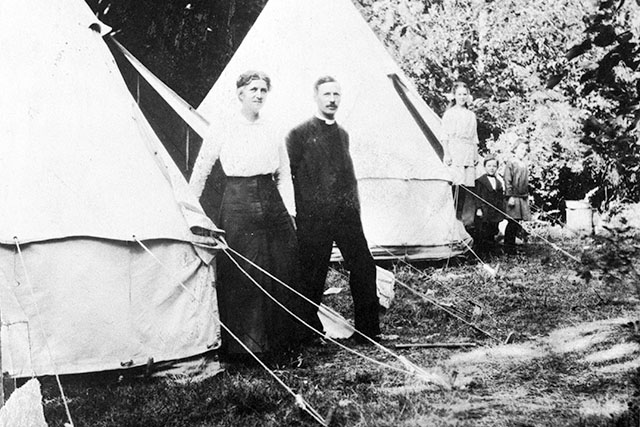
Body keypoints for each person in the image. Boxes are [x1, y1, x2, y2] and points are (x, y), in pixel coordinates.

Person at [189, 71, 311, 358]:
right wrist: (189, 209)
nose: (258, 94)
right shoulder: (224, 126)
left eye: (263, 90)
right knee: (245, 272)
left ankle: (283, 344)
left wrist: (289, 211)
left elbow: (283, 174)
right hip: (238, 201)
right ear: (240, 94)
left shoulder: (272, 127)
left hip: (271, 201)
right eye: (253, 89)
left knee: (283, 267)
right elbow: (202, 168)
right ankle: (247, 348)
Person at [286, 76, 380, 344]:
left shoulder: (343, 135)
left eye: (336, 94)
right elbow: (288, 177)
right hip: (314, 219)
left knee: (364, 267)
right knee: (312, 275)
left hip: (346, 216)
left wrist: (354, 211)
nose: (332, 100)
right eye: (327, 94)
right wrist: (299, 213)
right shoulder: (298, 134)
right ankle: (306, 332)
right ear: (315, 97)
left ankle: (368, 331)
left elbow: (347, 178)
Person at [440, 82, 480, 224]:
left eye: (465, 94)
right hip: (455, 148)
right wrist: (447, 154)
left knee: (464, 185)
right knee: (455, 182)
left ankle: (460, 218)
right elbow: (445, 136)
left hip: (468, 150)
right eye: (459, 94)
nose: (462, 97)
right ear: (454, 96)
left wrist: (475, 153)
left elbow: (474, 136)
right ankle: (452, 216)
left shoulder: (471, 115)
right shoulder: (449, 114)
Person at [503, 138, 532, 252]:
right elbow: (507, 180)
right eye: (521, 148)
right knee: (512, 222)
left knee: (517, 222)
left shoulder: (524, 164)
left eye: (525, 149)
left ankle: (512, 246)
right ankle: (508, 248)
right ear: (515, 149)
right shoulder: (512, 162)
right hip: (513, 197)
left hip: (521, 197)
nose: (523, 151)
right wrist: (509, 196)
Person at [473, 155, 504, 252]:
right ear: (485, 167)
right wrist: (478, 208)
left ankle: (491, 251)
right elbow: (477, 196)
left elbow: (500, 198)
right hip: (484, 210)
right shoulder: (480, 181)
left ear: (497, 168)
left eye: (494, 166)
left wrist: (501, 211)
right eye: (489, 166)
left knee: (493, 229)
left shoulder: (498, 183)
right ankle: (481, 252)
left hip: (494, 211)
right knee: (482, 231)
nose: (492, 168)